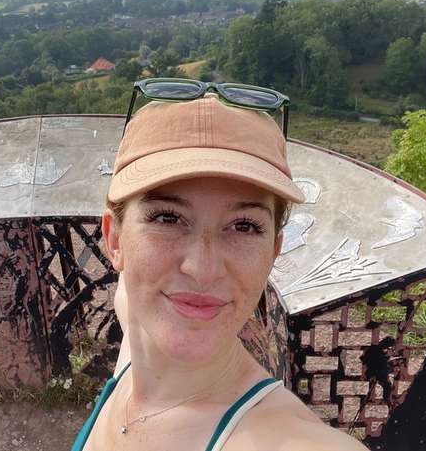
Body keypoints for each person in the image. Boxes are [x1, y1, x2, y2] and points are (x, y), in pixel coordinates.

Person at [72, 82, 368, 451]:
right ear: (115, 240)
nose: (202, 268)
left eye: (244, 226)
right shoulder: (136, 338)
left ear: (274, 250)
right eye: (167, 218)